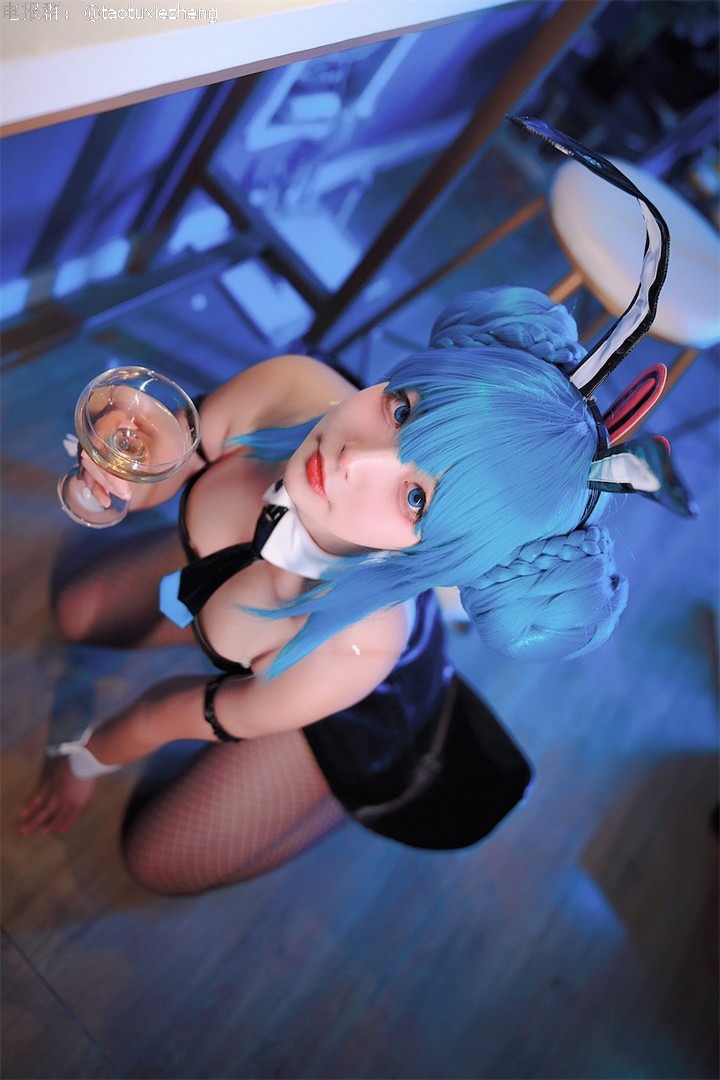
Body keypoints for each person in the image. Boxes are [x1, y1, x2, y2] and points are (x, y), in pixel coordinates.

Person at [18, 122, 690, 895]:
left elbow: (167, 716)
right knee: (77, 611)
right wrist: (132, 467)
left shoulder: (354, 652)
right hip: (240, 599)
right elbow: (171, 471)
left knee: (158, 860)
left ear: (438, 546)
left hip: (351, 707)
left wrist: (86, 758)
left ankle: (363, 782)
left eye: (415, 495)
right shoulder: (297, 390)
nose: (353, 458)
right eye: (403, 410)